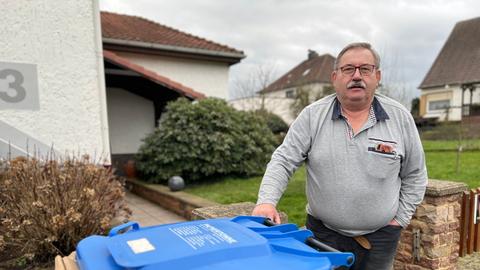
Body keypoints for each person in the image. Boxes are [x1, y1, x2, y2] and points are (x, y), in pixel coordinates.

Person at [252, 42, 427, 270]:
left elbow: (415, 175)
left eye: (365, 69)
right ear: (335, 77)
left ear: (378, 76)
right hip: (323, 236)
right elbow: (283, 160)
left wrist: (399, 220)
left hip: (381, 239)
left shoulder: (400, 118)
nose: (356, 76)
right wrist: (266, 201)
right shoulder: (312, 116)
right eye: (348, 69)